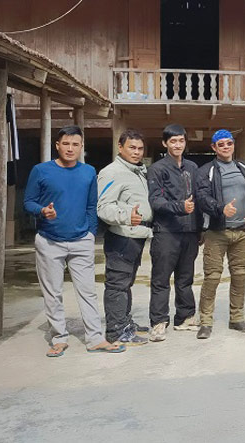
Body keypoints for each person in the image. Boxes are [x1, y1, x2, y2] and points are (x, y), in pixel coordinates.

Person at [24, 125, 124, 356]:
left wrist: (90, 233)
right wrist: (42, 211)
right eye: (66, 144)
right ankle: (59, 338)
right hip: (50, 241)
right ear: (57, 145)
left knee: (87, 291)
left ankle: (95, 338)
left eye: (75, 144)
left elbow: (91, 205)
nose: (70, 148)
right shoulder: (41, 171)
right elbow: (28, 202)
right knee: (53, 292)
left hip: (81, 241)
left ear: (81, 147)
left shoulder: (88, 172)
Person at [194, 129, 245, 340]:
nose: (226, 147)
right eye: (221, 144)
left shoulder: (244, 168)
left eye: (229, 143)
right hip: (216, 232)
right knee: (212, 277)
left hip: (240, 231)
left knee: (239, 276)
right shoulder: (206, 171)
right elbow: (201, 197)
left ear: (233, 145)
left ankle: (237, 318)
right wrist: (220, 208)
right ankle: (205, 322)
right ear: (214, 147)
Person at [97, 128, 153, 346]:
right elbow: (103, 207)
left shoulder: (138, 171)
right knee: (117, 284)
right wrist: (126, 216)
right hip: (121, 237)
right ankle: (116, 331)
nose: (137, 152)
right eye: (132, 147)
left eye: (140, 148)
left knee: (126, 283)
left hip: (136, 237)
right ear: (120, 147)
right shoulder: (112, 172)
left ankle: (124, 321)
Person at [147, 124, 201, 341]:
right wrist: (180, 207)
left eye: (181, 141)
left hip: (190, 231)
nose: (177, 145)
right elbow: (155, 200)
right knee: (161, 279)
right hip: (166, 232)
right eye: (173, 141)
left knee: (186, 277)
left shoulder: (192, 167)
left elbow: (199, 198)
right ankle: (159, 321)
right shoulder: (157, 169)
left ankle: (185, 317)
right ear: (165, 143)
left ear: (185, 142)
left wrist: (200, 228)